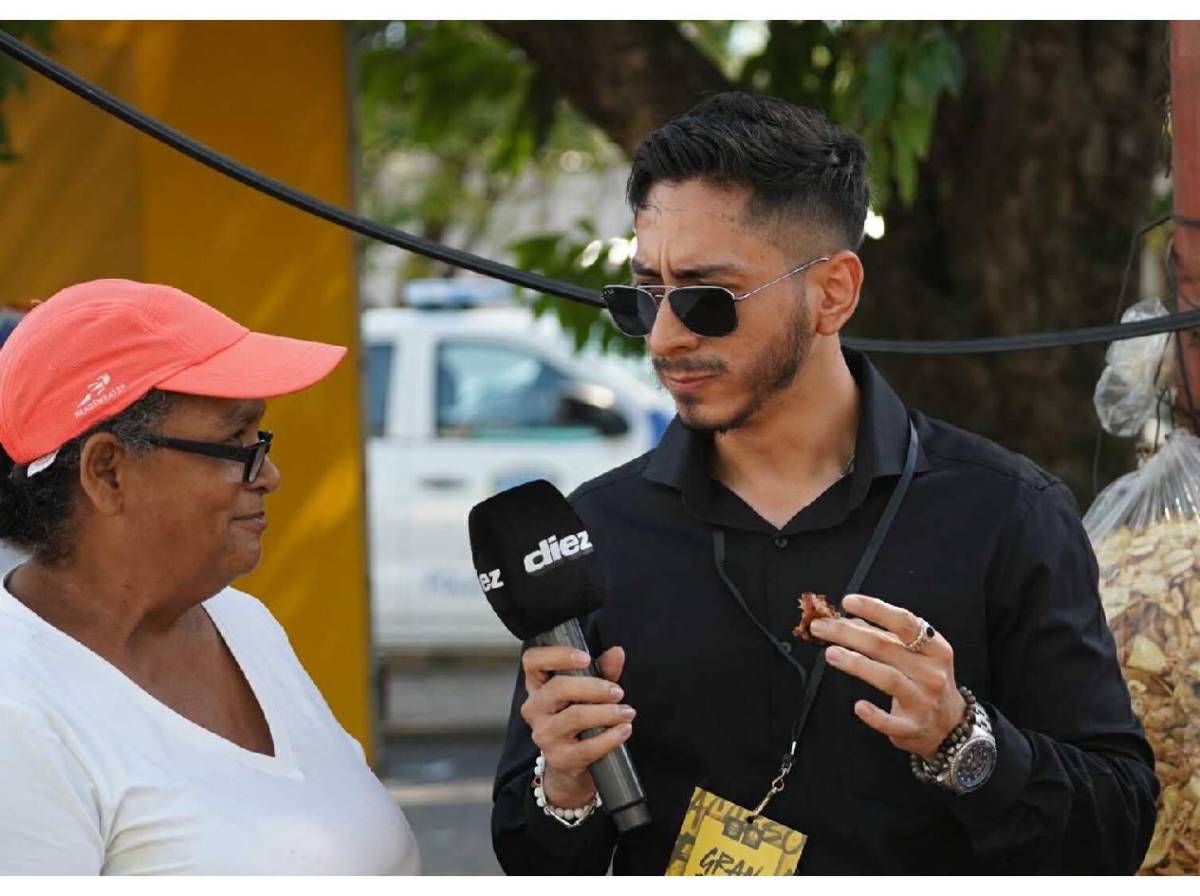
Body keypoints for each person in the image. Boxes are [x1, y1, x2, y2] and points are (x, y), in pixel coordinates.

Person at [491, 93, 1158, 874]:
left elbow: (1116, 830)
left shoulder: (1006, 512)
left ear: (833, 292)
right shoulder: (597, 530)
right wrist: (564, 783)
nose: (667, 337)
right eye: (643, 297)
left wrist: (963, 738)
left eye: (708, 298)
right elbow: (531, 854)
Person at [0, 279, 419, 874]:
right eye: (236, 443)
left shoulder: (243, 623)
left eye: (261, 437)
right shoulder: (18, 714)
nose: (269, 474)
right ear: (108, 472)